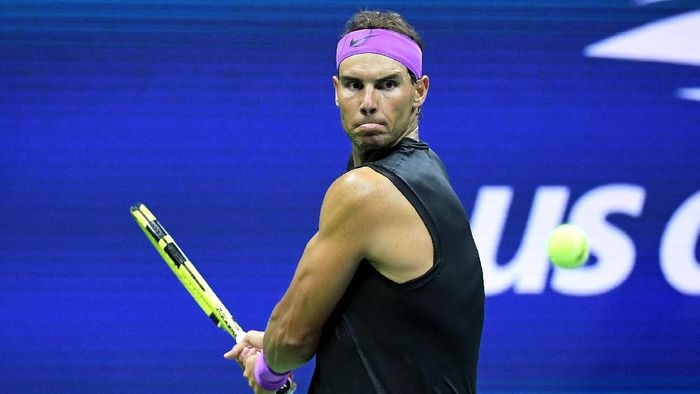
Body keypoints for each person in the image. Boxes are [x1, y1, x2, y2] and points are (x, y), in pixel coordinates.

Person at [224, 10, 484, 394]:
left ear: (420, 90)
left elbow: (292, 339)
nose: (367, 102)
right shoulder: (427, 172)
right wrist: (276, 346)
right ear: (335, 89)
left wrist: (269, 368)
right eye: (353, 85)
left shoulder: (366, 191)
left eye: (387, 85)